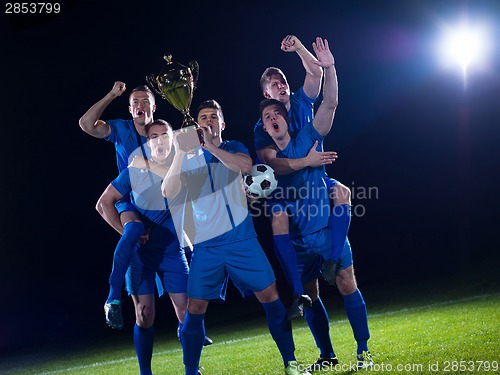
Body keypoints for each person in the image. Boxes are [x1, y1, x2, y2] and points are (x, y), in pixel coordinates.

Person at [162, 100, 311, 375]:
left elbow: (245, 166)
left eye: (213, 117)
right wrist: (183, 153)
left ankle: (291, 363)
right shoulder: (187, 157)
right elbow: (168, 190)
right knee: (194, 308)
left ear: (222, 124)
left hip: (242, 240)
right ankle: (191, 371)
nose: (207, 121)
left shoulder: (232, 147)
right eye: (203, 117)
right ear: (197, 123)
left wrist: (209, 146)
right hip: (207, 246)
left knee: (271, 296)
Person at [260, 37, 374, 370]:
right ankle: (327, 356)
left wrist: (329, 65)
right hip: (296, 227)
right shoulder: (264, 137)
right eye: (267, 117)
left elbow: (328, 99)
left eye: (281, 82)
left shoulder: (307, 130)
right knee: (309, 292)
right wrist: (298, 167)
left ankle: (363, 351)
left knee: (346, 278)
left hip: (320, 215)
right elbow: (265, 168)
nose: (272, 119)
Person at [254, 35, 350, 319]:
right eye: (274, 84)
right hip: (288, 191)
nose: (281, 85)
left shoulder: (301, 102)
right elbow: (272, 166)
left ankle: (333, 260)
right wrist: (305, 160)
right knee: (280, 219)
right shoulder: (263, 125)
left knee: (342, 192)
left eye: (282, 81)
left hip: (315, 180)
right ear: (266, 96)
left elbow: (316, 73)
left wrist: (298, 48)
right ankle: (299, 293)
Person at [95, 120, 189, 375]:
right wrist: (128, 233)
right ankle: (145, 372)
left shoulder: (184, 167)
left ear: (172, 141)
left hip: (171, 251)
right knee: (144, 315)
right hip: (140, 256)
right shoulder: (133, 172)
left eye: (164, 136)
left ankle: (192, 367)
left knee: (188, 312)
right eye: (154, 136)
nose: (159, 140)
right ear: (148, 144)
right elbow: (103, 204)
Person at [79, 82, 155, 329]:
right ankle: (112, 298)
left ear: (154, 106)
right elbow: (86, 124)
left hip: (159, 207)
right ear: (130, 109)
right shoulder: (121, 129)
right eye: (135, 102)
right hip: (129, 201)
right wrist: (112, 94)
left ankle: (189, 327)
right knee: (133, 231)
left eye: (145, 101)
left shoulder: (163, 133)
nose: (140, 106)